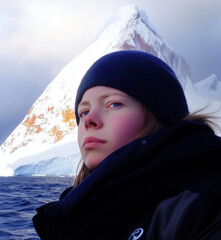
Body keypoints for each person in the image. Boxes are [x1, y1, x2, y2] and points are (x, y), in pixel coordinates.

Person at [33, 50, 221, 240]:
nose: (89, 119)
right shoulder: (76, 211)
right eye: (83, 112)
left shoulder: (203, 208)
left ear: (159, 116)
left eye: (113, 104)